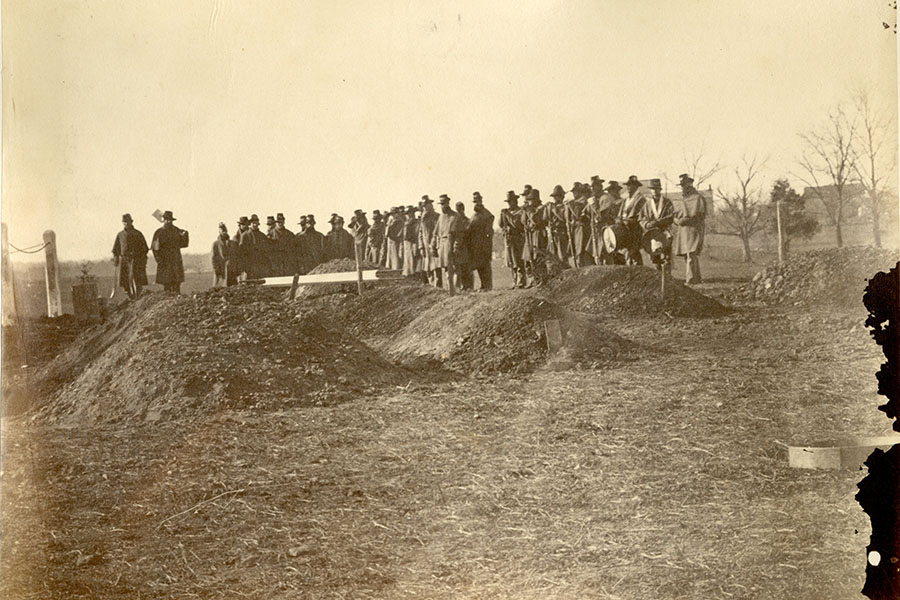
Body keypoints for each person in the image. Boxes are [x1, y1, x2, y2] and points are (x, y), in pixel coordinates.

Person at [672, 173, 707, 284]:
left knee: (691, 253)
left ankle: (690, 280)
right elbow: (675, 214)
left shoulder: (698, 198)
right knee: (688, 255)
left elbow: (700, 215)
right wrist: (677, 221)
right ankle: (696, 278)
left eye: (685, 184)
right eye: (682, 185)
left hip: (694, 229)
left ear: (690, 184)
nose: (683, 187)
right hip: (683, 230)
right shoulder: (682, 199)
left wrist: (686, 220)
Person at [639, 178, 675, 270]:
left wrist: (659, 222)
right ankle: (657, 278)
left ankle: (667, 279)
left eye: (656, 189)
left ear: (660, 189)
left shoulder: (667, 202)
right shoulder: (647, 204)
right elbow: (641, 219)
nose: (654, 191)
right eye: (652, 189)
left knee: (666, 257)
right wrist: (647, 224)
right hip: (652, 234)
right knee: (654, 257)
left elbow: (671, 216)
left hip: (664, 232)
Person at [112, 213, 149, 299]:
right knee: (125, 281)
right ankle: (130, 297)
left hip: (136, 260)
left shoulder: (138, 234)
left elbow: (145, 248)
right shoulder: (120, 235)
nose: (126, 224)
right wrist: (116, 259)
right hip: (124, 260)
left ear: (131, 222)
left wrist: (142, 259)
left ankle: (138, 296)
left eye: (128, 222)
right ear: (123, 223)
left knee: (136, 279)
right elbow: (115, 249)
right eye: (125, 222)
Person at [151, 210, 189, 293]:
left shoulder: (177, 231)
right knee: (167, 284)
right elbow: (155, 249)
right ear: (163, 220)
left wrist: (185, 235)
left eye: (170, 220)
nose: (168, 221)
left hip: (175, 260)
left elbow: (184, 244)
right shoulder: (159, 232)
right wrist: (159, 261)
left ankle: (176, 302)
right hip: (165, 261)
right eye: (166, 220)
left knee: (176, 284)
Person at [499, 190, 527, 288]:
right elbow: (501, 224)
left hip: (517, 239)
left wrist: (508, 215)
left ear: (515, 201)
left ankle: (522, 281)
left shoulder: (520, 211)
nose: (509, 204)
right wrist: (502, 215)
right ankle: (514, 281)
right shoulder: (507, 212)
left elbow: (517, 224)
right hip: (509, 239)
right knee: (511, 261)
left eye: (511, 202)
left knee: (518, 260)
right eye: (508, 202)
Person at [618, 175, 647, 265]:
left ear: (636, 186)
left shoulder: (640, 199)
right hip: (625, 228)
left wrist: (626, 220)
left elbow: (638, 216)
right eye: (628, 185)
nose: (628, 187)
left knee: (634, 251)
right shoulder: (626, 199)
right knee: (627, 251)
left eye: (631, 185)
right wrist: (619, 219)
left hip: (634, 229)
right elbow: (620, 213)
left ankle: (638, 271)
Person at [468, 192, 494, 291]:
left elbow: (488, 232)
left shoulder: (487, 214)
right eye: (474, 202)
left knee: (485, 265)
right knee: (479, 265)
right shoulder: (474, 215)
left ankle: (487, 286)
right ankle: (484, 285)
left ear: (481, 201)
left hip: (483, 244)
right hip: (475, 244)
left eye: (477, 202)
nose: (476, 204)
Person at [522, 190, 547, 287]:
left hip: (538, 235)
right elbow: (523, 222)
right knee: (529, 257)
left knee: (538, 257)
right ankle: (533, 280)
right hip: (530, 235)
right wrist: (525, 212)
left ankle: (541, 279)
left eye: (531, 200)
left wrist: (529, 211)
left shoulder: (540, 208)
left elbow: (536, 220)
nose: (529, 202)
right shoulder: (529, 210)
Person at [566, 182, 594, 267]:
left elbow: (577, 214)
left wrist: (571, 204)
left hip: (582, 228)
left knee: (581, 248)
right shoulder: (576, 201)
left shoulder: (583, 200)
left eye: (576, 192)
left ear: (580, 192)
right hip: (576, 228)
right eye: (573, 192)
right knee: (577, 249)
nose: (574, 194)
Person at [542, 185, 570, 267]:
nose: (555, 198)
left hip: (561, 233)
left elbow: (563, 218)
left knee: (562, 255)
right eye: (554, 196)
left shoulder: (565, 206)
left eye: (556, 196)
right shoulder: (552, 206)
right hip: (552, 234)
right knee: (553, 256)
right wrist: (547, 209)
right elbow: (545, 219)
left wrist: (554, 210)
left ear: (561, 196)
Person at [418, 196, 442, 287]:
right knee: (428, 267)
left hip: (434, 246)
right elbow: (420, 233)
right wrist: (421, 247)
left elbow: (438, 232)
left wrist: (435, 245)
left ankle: (438, 287)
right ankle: (431, 286)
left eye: (426, 205)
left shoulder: (436, 216)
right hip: (425, 246)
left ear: (430, 205)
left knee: (436, 267)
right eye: (423, 206)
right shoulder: (423, 218)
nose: (425, 208)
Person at [239, 214, 269, 279]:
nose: (255, 225)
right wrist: (244, 267)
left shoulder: (262, 236)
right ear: (250, 224)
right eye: (253, 223)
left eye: (256, 223)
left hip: (260, 266)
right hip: (249, 266)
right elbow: (241, 253)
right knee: (248, 285)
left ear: (258, 224)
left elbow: (266, 252)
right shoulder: (245, 236)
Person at [453, 201, 473, 291]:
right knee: (458, 269)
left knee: (467, 270)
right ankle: (459, 288)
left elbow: (468, 235)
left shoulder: (467, 221)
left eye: (459, 210)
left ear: (463, 210)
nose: (458, 212)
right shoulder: (455, 222)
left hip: (466, 248)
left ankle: (468, 287)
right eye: (457, 210)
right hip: (458, 248)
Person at [401, 205, 423, 280]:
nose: (408, 215)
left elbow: (416, 232)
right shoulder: (407, 222)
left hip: (412, 241)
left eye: (409, 213)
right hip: (407, 242)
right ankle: (408, 273)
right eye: (407, 213)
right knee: (408, 258)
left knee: (412, 257)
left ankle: (413, 273)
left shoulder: (415, 222)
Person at [211, 222, 236, 287]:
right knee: (219, 288)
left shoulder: (232, 243)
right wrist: (216, 269)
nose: (224, 232)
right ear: (219, 232)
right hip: (220, 271)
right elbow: (213, 258)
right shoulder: (216, 244)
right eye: (222, 231)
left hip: (231, 270)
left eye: (225, 231)